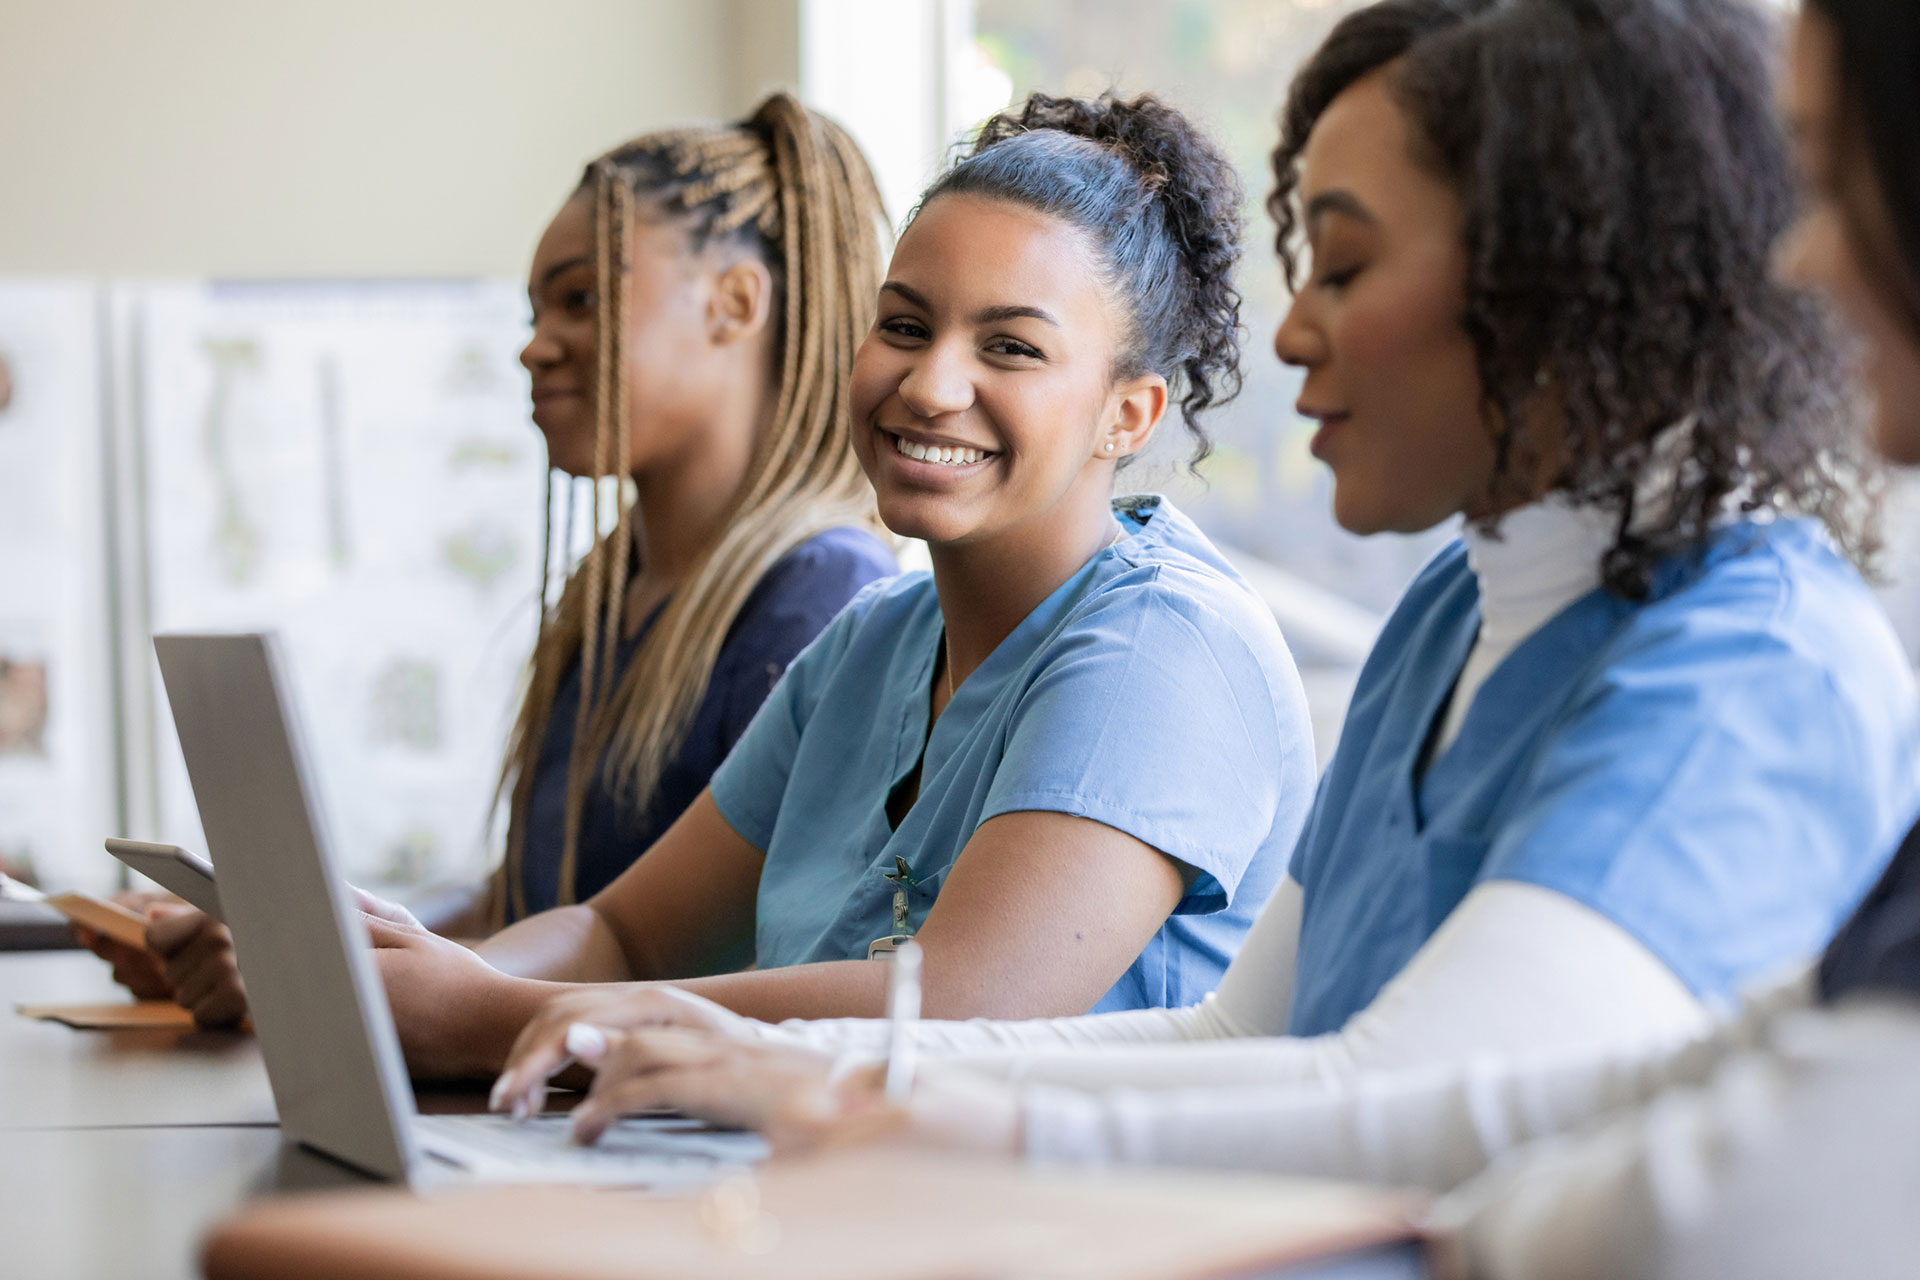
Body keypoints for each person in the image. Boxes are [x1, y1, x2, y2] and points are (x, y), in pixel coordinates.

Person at [498, 0, 1920, 1186]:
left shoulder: (1752, 663)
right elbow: (1244, 1040)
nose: (1293, 330)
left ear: (1571, 278)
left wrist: (868, 1098)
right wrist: (780, 1058)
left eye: (1346, 266)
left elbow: (1419, 1104)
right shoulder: (1450, 612)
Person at [336, 91, 1313, 1083]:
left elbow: (964, 1008)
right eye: (903, 325)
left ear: (1129, 413)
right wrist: (423, 987)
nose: (931, 385)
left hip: (1042, 1225)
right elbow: (622, 932)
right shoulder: (870, 641)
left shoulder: (1167, 648)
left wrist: (490, 1017)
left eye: (1010, 346)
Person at [77, 92, 900, 1024]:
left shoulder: (824, 599)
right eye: (536, 308)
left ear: (735, 303)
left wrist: (328, 971)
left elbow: (743, 958)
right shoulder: (608, 594)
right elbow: (531, 910)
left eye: (581, 299)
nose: (533, 347)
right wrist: (309, 944)